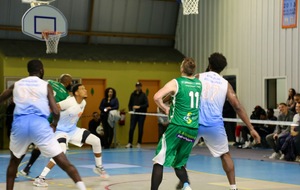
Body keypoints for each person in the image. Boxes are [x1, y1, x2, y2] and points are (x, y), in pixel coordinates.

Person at [0, 60, 86, 190]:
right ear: (41, 70)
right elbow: (56, 111)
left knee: (13, 163)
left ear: (28, 71)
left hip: (20, 125)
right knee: (64, 163)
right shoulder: (45, 85)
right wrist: (54, 124)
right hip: (40, 125)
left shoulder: (17, 84)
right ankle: (82, 187)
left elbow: (1, 98)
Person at [192, 52, 260, 190]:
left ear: (209, 64)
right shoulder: (225, 84)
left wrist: (164, 102)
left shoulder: (198, 77)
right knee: (225, 155)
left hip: (195, 122)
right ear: (222, 68)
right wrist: (251, 128)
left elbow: (182, 89)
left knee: (182, 151)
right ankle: (233, 187)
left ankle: (185, 183)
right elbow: (237, 106)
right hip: (215, 125)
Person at [34, 83, 109, 187]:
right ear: (76, 93)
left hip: (73, 130)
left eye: (85, 88)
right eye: (82, 89)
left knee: (96, 140)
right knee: (61, 152)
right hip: (60, 131)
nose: (85, 90)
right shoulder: (68, 102)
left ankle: (98, 166)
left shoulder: (84, 102)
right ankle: (40, 178)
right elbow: (53, 108)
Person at [151, 57, 202, 190]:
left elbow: (156, 97)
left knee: (159, 160)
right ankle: (186, 185)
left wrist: (165, 108)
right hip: (192, 129)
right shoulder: (198, 84)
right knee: (179, 162)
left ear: (181, 69)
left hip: (177, 126)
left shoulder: (177, 82)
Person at [20, 74, 73, 176]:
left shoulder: (50, 82)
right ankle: (27, 168)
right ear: (68, 82)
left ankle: (19, 168)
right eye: (71, 82)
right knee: (39, 146)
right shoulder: (66, 96)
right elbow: (62, 111)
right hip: (46, 121)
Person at [126, 82, 149, 148]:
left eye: (139, 86)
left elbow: (147, 104)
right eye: (137, 86)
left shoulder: (144, 95)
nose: (138, 87)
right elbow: (130, 104)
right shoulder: (132, 94)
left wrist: (139, 107)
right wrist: (130, 110)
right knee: (131, 128)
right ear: (135, 87)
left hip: (141, 114)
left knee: (140, 128)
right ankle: (130, 143)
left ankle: (139, 142)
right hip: (134, 114)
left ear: (141, 87)